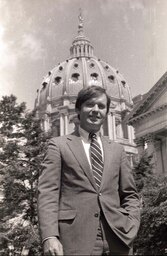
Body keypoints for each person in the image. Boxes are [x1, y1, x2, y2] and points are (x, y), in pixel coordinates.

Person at [38, 85, 140, 255]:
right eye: (90, 105)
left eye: (101, 106)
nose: (95, 110)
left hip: (118, 238)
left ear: (107, 112)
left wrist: (132, 224)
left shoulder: (117, 150)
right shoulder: (58, 145)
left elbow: (130, 194)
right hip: (75, 239)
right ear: (78, 109)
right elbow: (48, 193)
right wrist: (50, 236)